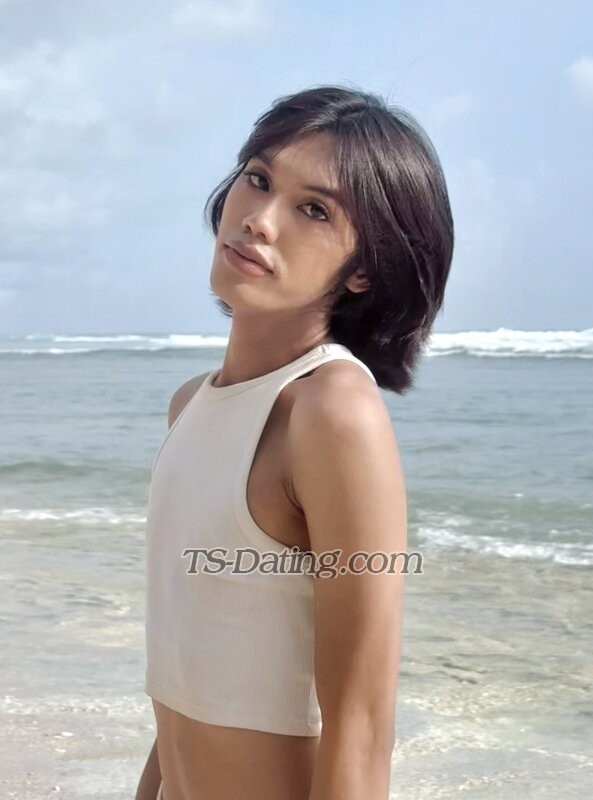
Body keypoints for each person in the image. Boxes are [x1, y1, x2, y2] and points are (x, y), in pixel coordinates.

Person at [135, 83, 454, 800]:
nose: (259, 219)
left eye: (314, 210)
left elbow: (361, 726)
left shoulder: (331, 410)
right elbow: (185, 681)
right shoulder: (189, 406)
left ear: (365, 269)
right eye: (258, 179)